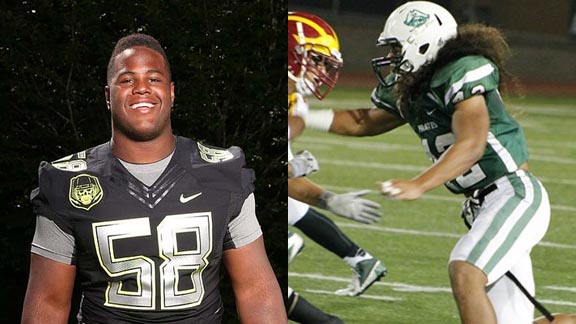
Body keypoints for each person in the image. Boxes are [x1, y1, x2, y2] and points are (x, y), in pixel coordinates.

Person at [303, 2, 550, 324]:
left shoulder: (461, 71)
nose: (391, 57)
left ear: (422, 41)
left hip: (513, 193)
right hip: (485, 205)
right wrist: (302, 115)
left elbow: (472, 145)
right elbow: (364, 122)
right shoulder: (414, 88)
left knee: (465, 270)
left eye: (395, 47)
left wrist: (418, 184)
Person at [21, 33, 286, 323]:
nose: (142, 89)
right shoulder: (67, 181)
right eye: (127, 80)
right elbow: (47, 302)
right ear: (108, 95)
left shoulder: (222, 172)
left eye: (154, 79)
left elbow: (255, 289)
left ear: (171, 93)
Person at [287, 12, 387, 309]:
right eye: (316, 59)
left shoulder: (295, 102)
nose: (321, 70)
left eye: (325, 63)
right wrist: (289, 169)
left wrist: (329, 199)